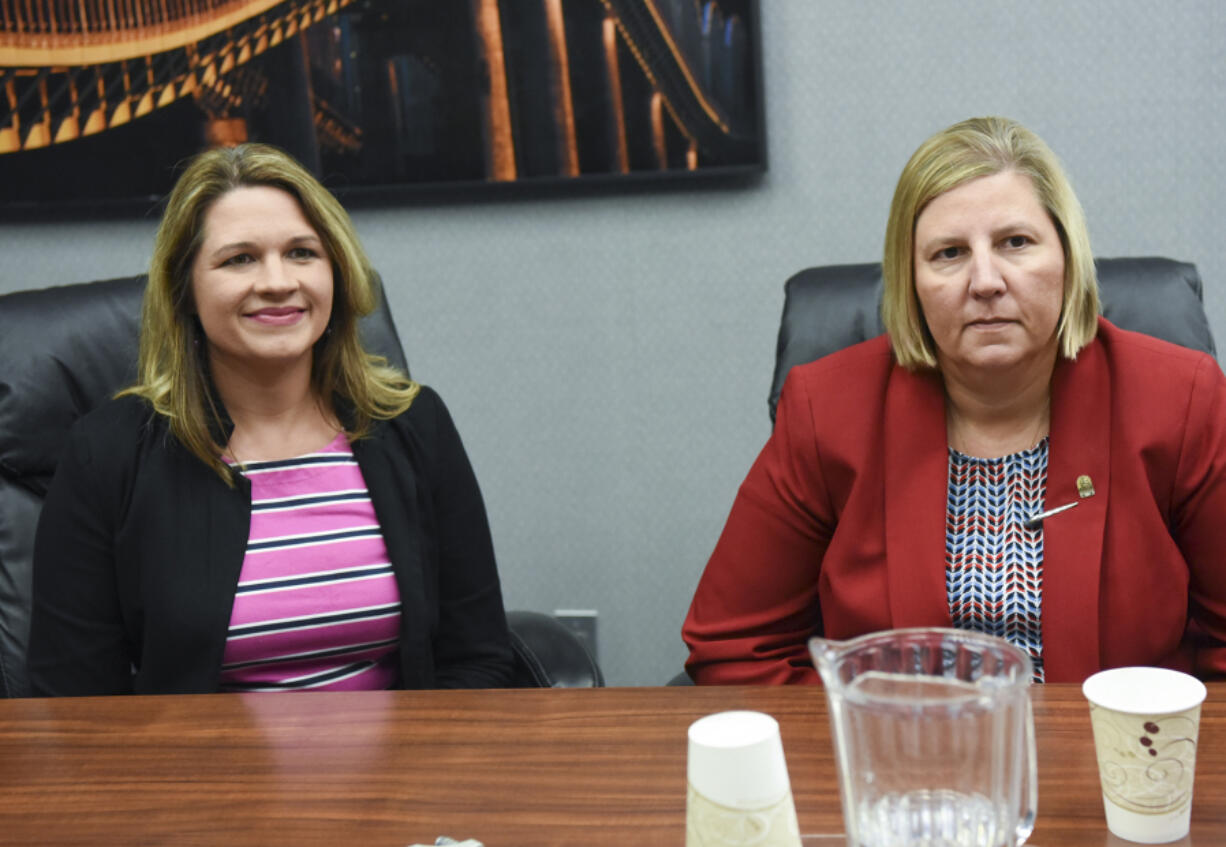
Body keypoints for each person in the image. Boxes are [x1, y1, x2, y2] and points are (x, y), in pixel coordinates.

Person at [683, 116, 1226, 685]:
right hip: (905, 763)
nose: (985, 281)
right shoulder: (828, 410)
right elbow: (734, 643)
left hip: (1117, 759)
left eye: (1015, 243)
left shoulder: (1180, 399)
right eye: (948, 253)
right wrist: (862, 742)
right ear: (910, 282)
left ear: (1067, 259)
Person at [28, 144, 515, 694]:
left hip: (402, 771)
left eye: (303, 252)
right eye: (240, 259)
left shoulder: (413, 422)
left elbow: (477, 658)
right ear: (184, 287)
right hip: (198, 774)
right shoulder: (108, 453)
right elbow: (72, 704)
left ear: (336, 271)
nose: (278, 281)